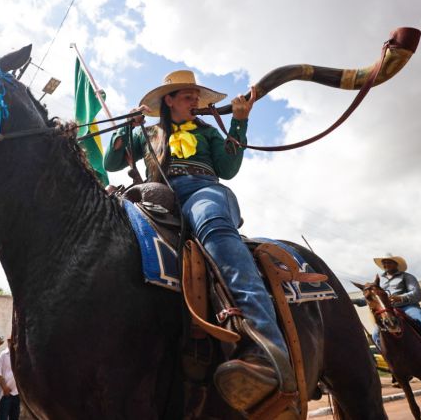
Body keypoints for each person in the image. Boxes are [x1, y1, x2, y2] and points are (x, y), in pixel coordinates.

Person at [104, 70, 288, 413]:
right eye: (188, 96)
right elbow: (111, 162)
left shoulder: (206, 131)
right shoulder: (147, 134)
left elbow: (229, 168)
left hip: (205, 191)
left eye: (195, 97)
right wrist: (125, 127)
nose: (195, 102)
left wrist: (239, 123)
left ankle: (264, 346)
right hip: (157, 197)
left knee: (214, 227)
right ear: (169, 100)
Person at [0, 337, 19, 420]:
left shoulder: (20, 355)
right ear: (8, 341)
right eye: (11, 341)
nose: (13, 343)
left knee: (14, 418)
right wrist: (5, 388)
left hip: (17, 394)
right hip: (6, 394)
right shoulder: (3, 354)